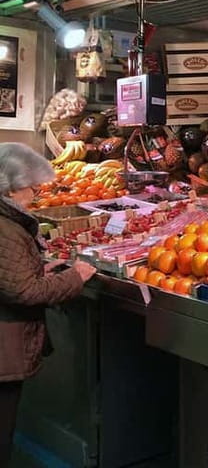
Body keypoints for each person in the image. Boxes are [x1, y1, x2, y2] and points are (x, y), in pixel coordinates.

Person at [0, 143, 96, 466]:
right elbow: (25, 291)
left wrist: (41, 269)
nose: (36, 191)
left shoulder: (9, 222)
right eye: (30, 185)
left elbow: (12, 276)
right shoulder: (6, 229)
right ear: (11, 189)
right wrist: (76, 277)